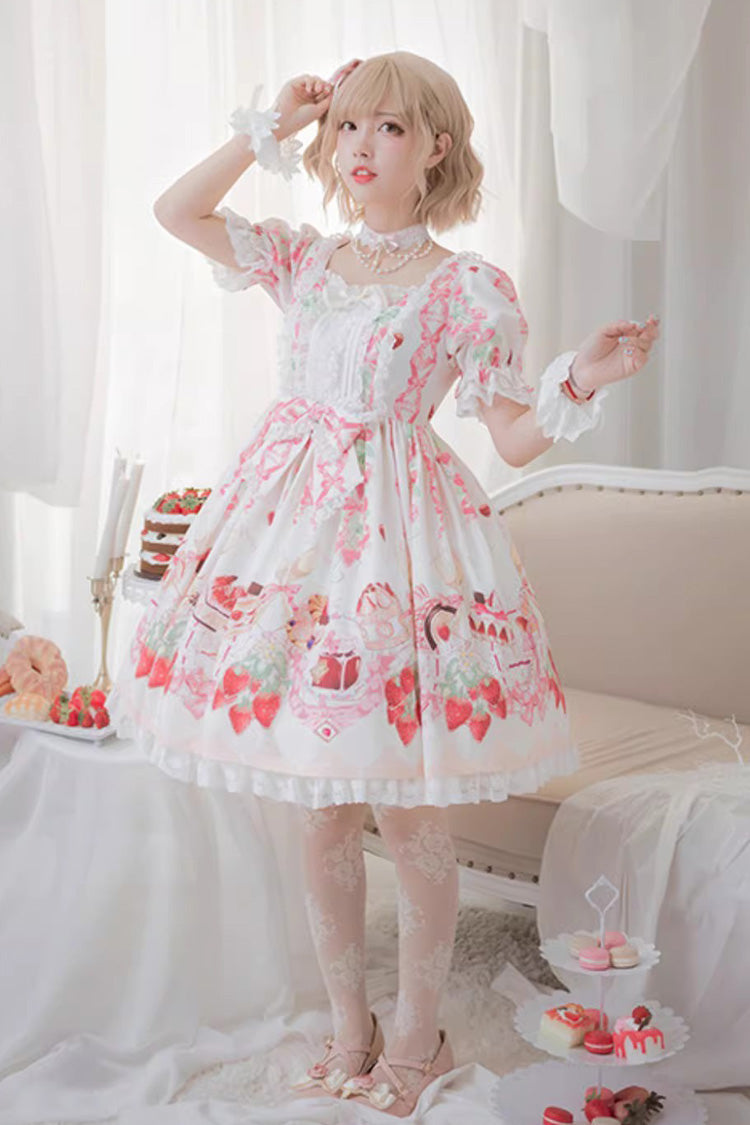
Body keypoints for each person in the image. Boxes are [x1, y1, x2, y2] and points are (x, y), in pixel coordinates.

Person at [107, 51, 659, 1118]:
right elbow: (177, 210)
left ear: (435, 147)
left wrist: (584, 376)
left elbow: (513, 433)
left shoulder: (466, 289)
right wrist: (276, 124)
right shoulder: (306, 262)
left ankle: (418, 1033)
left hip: (402, 552)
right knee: (323, 812)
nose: (360, 147)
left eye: (391, 128)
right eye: (350, 127)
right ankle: (349, 1025)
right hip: (292, 552)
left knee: (409, 816)